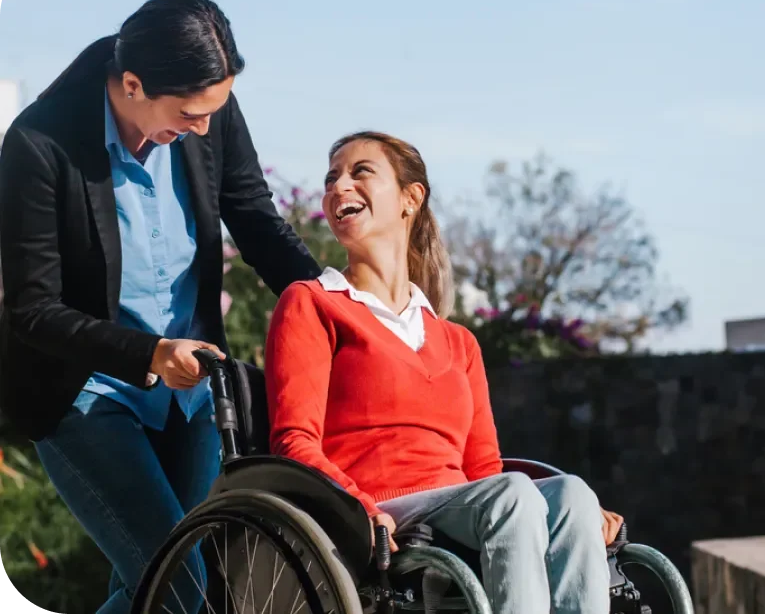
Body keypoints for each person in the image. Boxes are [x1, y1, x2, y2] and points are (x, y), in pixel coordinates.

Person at [0, 0, 321, 613]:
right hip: (85, 392)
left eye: (213, 112)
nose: (203, 128)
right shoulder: (38, 146)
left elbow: (255, 219)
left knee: (159, 588)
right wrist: (148, 351)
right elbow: (31, 310)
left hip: (193, 393)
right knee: (180, 586)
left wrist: (329, 308)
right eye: (189, 113)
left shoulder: (210, 111)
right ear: (132, 84)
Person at [264, 130, 623, 613]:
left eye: (359, 172)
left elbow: (485, 472)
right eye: (331, 178)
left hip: (463, 504)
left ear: (411, 198)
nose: (337, 187)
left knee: (574, 494)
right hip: (374, 511)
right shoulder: (311, 304)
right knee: (513, 496)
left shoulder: (459, 342)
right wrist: (362, 510)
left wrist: (564, 507)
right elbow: (295, 443)